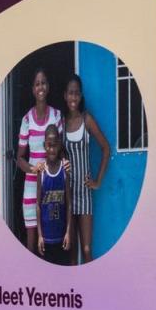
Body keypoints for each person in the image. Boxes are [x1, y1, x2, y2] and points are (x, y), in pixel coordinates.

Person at [61, 74, 109, 263]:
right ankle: (76, 292)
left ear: (80, 96)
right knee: (71, 250)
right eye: (70, 93)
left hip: (85, 194)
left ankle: (91, 291)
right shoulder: (61, 123)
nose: (73, 98)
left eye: (77, 94)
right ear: (65, 95)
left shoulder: (86, 119)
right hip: (68, 193)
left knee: (87, 248)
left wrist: (97, 181)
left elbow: (106, 148)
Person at [14, 67, 62, 255]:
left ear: (48, 87)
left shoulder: (57, 116)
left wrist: (58, 167)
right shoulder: (27, 120)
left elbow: (61, 150)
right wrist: (34, 169)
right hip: (32, 184)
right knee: (32, 237)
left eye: (43, 83)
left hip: (53, 183)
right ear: (33, 89)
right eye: (37, 84)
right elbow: (19, 158)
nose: (40, 87)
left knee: (53, 232)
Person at [35, 124, 74, 265]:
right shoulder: (42, 171)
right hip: (46, 239)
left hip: (62, 237)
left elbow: (69, 203)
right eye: (48, 145)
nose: (52, 149)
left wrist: (68, 232)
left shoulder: (64, 169)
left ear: (59, 145)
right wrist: (39, 235)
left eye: (55, 145)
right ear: (44, 145)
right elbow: (38, 205)